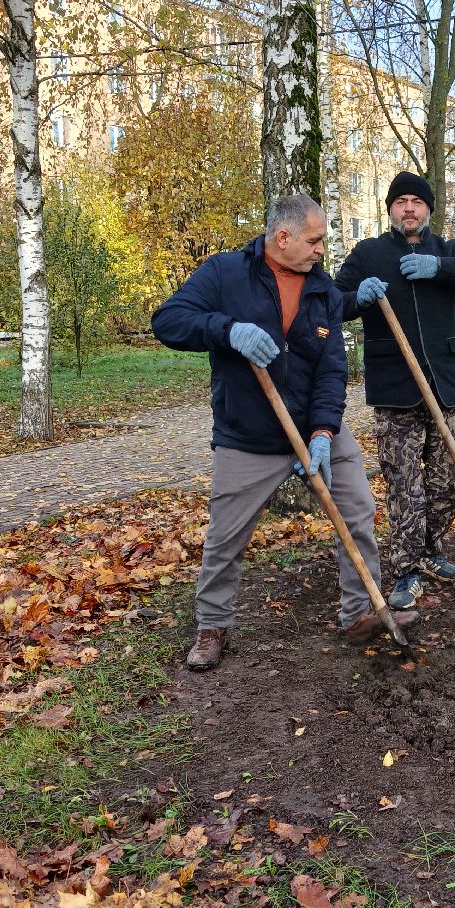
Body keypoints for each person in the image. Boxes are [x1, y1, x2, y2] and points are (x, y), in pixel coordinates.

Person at [151, 194, 418, 671]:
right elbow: (168, 320)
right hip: (248, 433)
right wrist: (227, 329)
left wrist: (322, 432)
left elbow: (332, 368)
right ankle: (212, 626)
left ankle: (359, 611)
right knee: (226, 537)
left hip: (316, 426)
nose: (321, 250)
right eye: (315, 241)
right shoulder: (226, 273)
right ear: (283, 237)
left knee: (357, 509)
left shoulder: (321, 291)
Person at [333, 171, 455, 610]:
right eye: (400, 201)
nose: (409, 208)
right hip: (395, 392)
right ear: (389, 209)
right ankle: (407, 569)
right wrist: (359, 298)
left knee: (449, 481)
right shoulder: (369, 254)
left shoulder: (445, 251)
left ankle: (431, 550)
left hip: (444, 388)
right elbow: (330, 301)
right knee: (404, 486)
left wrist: (441, 270)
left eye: (417, 201)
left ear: (428, 209)